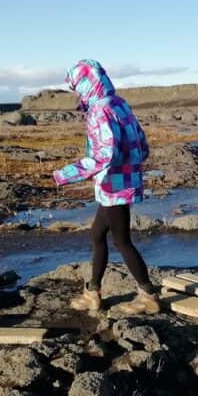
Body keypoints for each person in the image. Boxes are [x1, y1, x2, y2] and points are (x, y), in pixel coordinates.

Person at [53, 59, 158, 315]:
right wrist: (130, 169)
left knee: (122, 241)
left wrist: (65, 174)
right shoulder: (120, 104)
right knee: (97, 234)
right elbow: (142, 146)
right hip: (124, 182)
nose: (77, 92)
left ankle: (148, 296)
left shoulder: (99, 111)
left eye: (77, 86)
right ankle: (93, 292)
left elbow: (104, 155)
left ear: (87, 84)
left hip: (113, 186)